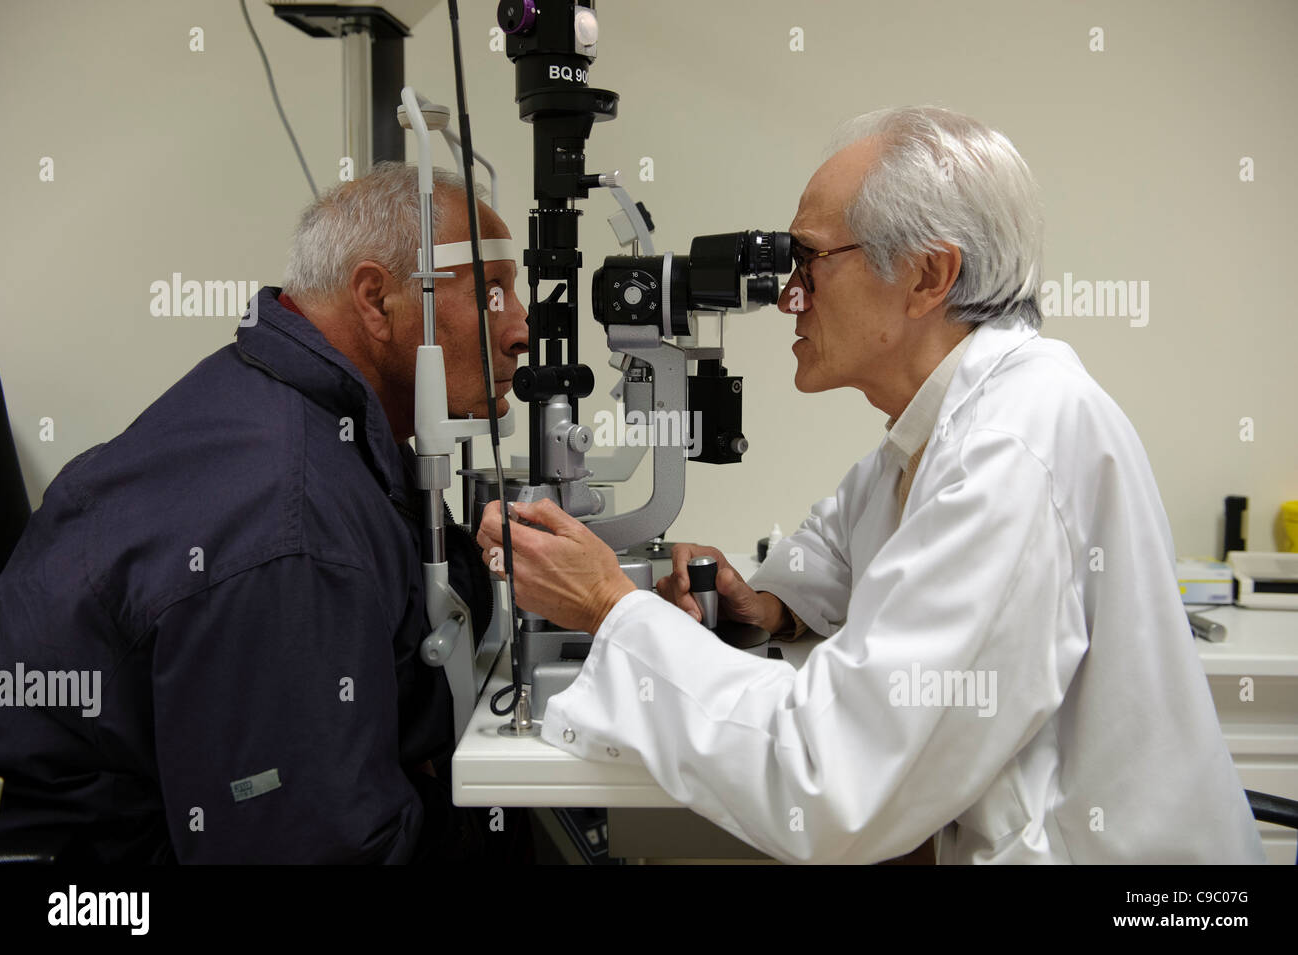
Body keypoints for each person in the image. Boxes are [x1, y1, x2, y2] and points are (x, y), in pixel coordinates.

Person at [477, 107, 1265, 864]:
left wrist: (609, 606)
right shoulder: (939, 426)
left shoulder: (1010, 447)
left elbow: (828, 781)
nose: (789, 295)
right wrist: (773, 604)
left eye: (810, 263)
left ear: (928, 275)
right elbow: (842, 547)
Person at [0, 163, 531, 863]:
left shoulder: (308, 408)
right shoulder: (291, 523)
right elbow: (311, 848)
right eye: (491, 294)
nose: (520, 328)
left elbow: (397, 603)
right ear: (377, 300)